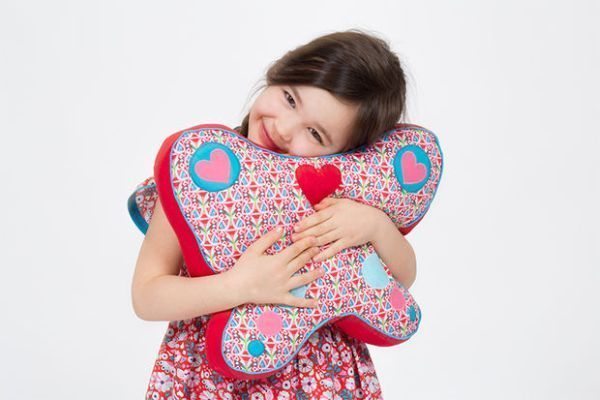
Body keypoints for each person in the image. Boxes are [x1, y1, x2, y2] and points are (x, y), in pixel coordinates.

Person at [132, 29, 418, 399]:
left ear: (349, 152)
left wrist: (377, 227)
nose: (283, 128)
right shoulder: (197, 177)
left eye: (315, 134)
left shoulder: (338, 198)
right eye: (290, 99)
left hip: (323, 380)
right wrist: (238, 287)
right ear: (278, 72)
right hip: (214, 380)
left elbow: (402, 277)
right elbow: (147, 294)